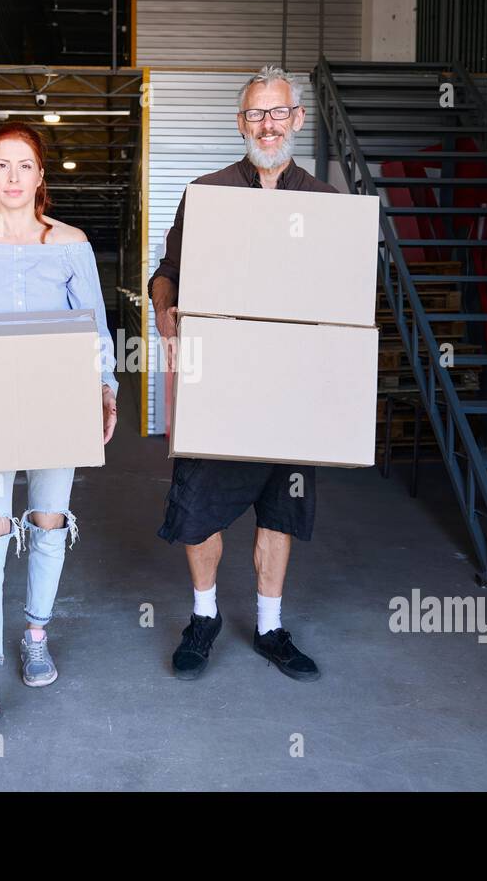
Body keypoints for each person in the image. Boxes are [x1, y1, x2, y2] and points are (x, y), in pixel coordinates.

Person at [147, 65, 337, 683]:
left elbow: (344, 295)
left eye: (279, 112)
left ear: (298, 120)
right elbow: (167, 269)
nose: (268, 124)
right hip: (219, 385)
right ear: (241, 123)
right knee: (199, 510)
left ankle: (269, 626)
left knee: (280, 512)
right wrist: (163, 307)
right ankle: (203, 618)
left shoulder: (326, 204)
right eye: (257, 114)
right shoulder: (207, 191)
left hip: (289, 389)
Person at [0, 122, 118, 733]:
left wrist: (106, 389)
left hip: (56, 403)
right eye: (1, 166)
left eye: (25, 166)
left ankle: (35, 632)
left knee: (47, 520)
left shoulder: (71, 244)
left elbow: (91, 326)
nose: (13, 177)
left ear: (41, 176)